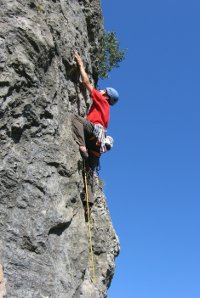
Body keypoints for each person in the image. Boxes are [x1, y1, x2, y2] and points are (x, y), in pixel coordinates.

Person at [71, 52, 119, 205]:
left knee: (75, 119)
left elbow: (86, 83)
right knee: (90, 172)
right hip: (97, 145)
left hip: (91, 135)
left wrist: (81, 65)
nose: (102, 90)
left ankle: (82, 146)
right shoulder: (107, 113)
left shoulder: (102, 101)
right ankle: (89, 201)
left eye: (104, 90)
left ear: (106, 96)